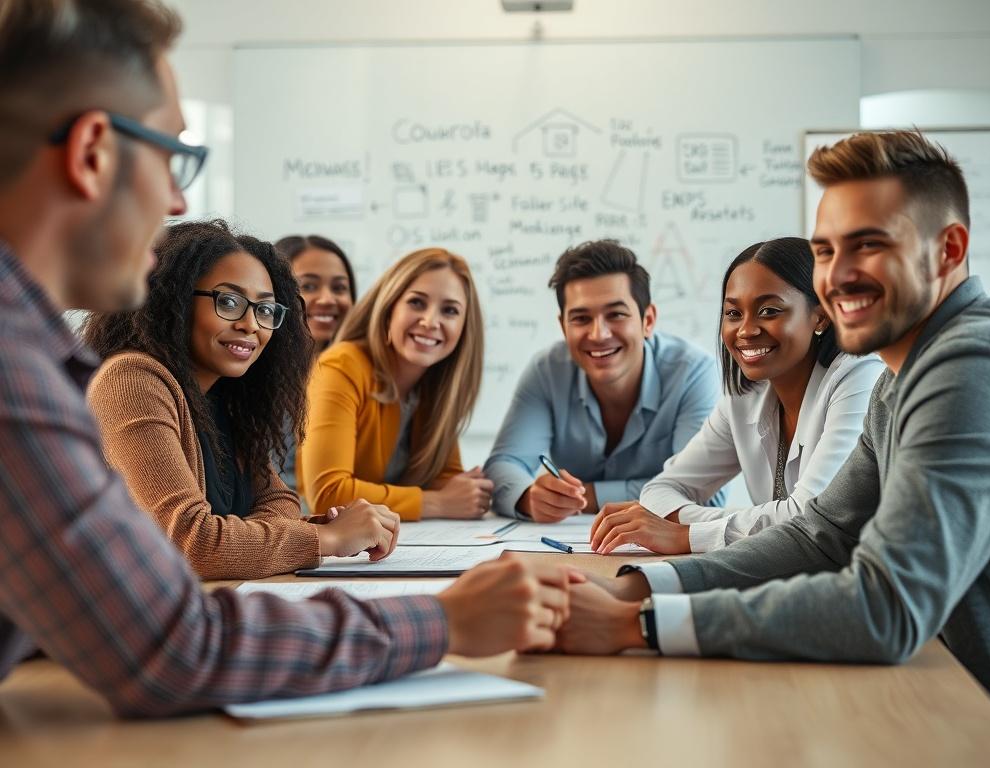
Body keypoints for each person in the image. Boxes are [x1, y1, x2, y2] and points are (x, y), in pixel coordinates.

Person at [0, 0, 573, 718]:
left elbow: (223, 541)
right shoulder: (25, 373)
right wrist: (445, 620)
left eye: (267, 310)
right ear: (92, 154)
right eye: (174, 155)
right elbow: (176, 640)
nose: (178, 198)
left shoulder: (39, 355)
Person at [553, 130, 990, 727]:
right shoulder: (901, 376)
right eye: (825, 251)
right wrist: (639, 588)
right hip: (937, 696)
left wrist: (637, 624)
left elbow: (886, 606)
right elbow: (820, 537)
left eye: (868, 245)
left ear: (949, 249)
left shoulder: (975, 367)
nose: (837, 276)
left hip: (989, 724)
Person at [83, 220, 394, 580]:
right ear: (175, 299)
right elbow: (191, 544)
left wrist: (276, 536)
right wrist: (326, 537)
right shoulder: (131, 380)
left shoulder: (227, 397)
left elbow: (281, 504)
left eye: (265, 309)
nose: (251, 324)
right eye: (228, 302)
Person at [589, 237, 884, 555]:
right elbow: (660, 492)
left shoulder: (860, 375)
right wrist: (724, 527)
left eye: (769, 311)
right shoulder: (747, 395)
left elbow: (812, 516)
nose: (745, 330)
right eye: (733, 313)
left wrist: (687, 533)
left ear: (821, 316)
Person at [485, 240, 720, 521]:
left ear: (648, 320)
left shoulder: (693, 372)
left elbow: (706, 493)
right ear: (563, 326)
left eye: (616, 315)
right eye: (581, 318)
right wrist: (528, 497)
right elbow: (502, 466)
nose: (598, 334)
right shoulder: (546, 371)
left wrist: (587, 496)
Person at [300, 247, 493, 520]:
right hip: (309, 541)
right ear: (389, 308)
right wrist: (435, 503)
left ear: (464, 328)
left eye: (449, 310)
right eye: (416, 303)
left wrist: (468, 493)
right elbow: (327, 493)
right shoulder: (341, 366)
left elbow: (446, 482)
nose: (430, 321)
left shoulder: (436, 385)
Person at [274, 233, 357, 494]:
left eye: (339, 288)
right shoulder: (251, 381)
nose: (328, 299)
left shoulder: (355, 377)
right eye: (308, 286)